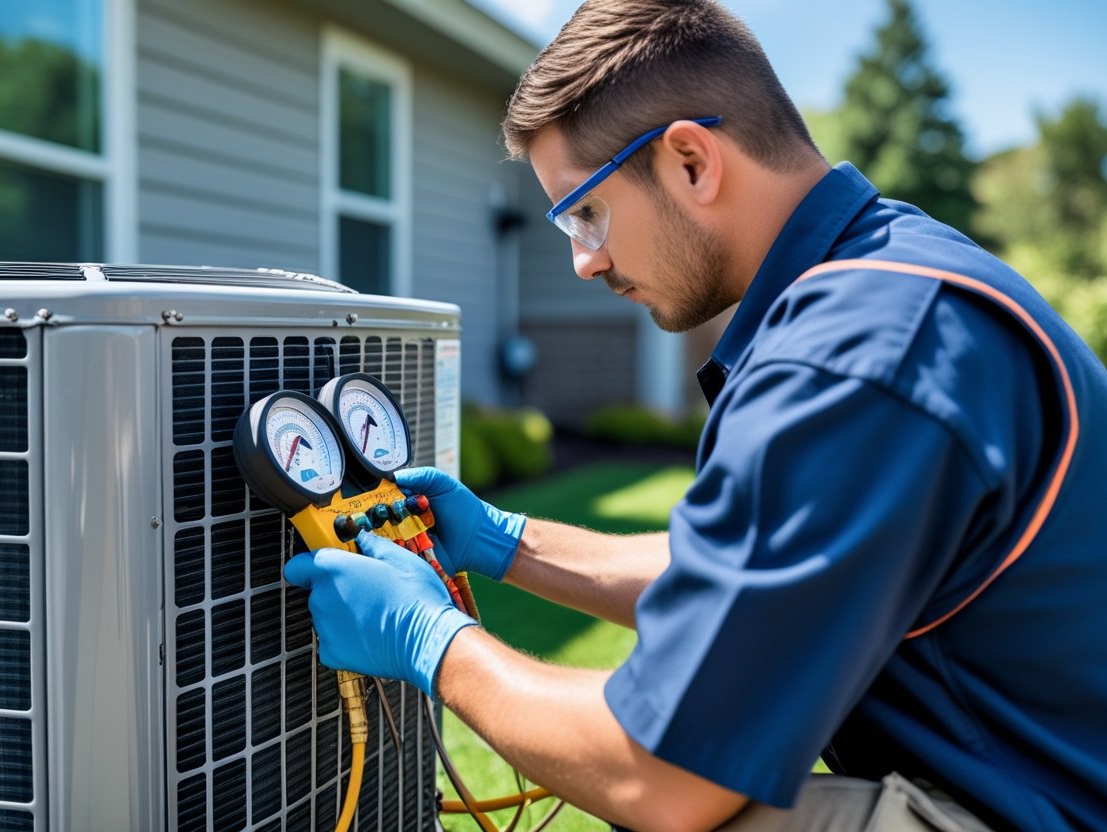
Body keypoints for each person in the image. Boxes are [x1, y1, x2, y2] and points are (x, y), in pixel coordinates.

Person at [283, 1, 1107, 829]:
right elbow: (752, 581)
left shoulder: (856, 351)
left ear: (689, 160)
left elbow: (663, 771)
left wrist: (428, 641)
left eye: (588, 212)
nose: (583, 260)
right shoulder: (889, 281)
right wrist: (507, 543)